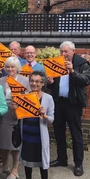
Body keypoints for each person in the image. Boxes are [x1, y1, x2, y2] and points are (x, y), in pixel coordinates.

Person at [48, 41, 90, 176]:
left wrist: (72, 71)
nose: (63, 54)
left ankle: (78, 164)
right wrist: (50, 83)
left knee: (76, 134)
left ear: (73, 51)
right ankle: (61, 159)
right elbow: (52, 86)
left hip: (73, 103)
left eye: (66, 51)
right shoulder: (57, 63)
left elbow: (86, 80)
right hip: (58, 102)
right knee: (58, 132)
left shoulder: (81, 63)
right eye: (62, 52)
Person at [11, 71, 54, 179]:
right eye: (32, 81)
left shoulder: (48, 98)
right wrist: (15, 109)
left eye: (37, 81)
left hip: (40, 137)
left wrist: (44, 116)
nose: (34, 84)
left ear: (43, 83)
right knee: (27, 164)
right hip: (26, 135)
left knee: (42, 165)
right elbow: (17, 117)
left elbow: (52, 119)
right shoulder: (24, 96)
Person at [0, 57, 30, 179]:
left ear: (17, 68)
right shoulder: (1, 80)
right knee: (3, 143)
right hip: (4, 113)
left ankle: (15, 170)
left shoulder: (25, 80)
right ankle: (5, 166)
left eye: (12, 67)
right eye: (8, 67)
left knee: (15, 144)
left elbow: (29, 97)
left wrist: (18, 103)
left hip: (18, 114)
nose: (10, 69)